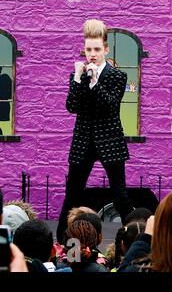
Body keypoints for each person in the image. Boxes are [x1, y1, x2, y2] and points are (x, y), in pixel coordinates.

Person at [56, 19, 133, 243]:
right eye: (88, 49)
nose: (92, 54)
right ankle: (60, 243)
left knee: (120, 197)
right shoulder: (78, 75)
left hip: (110, 140)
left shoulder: (118, 76)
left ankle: (138, 238)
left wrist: (93, 83)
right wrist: (79, 79)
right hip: (83, 141)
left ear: (105, 50)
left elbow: (110, 105)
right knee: (72, 195)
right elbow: (72, 106)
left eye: (97, 49)